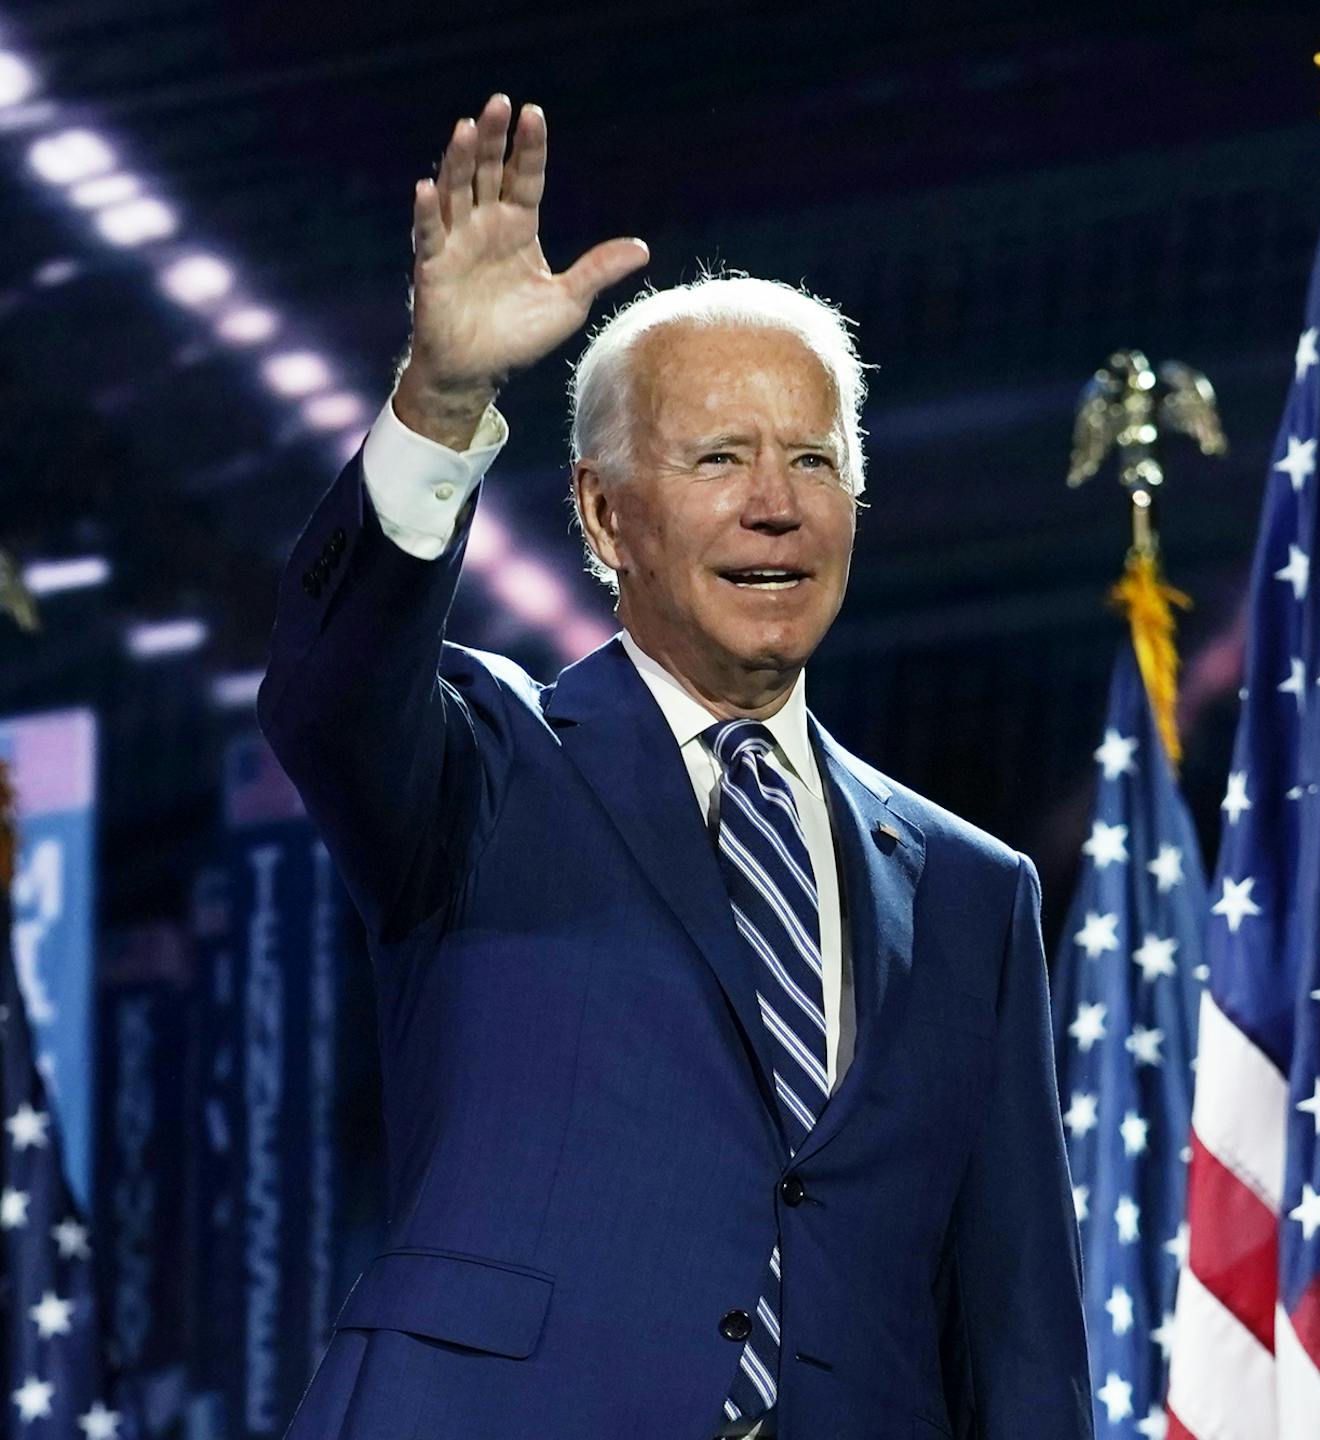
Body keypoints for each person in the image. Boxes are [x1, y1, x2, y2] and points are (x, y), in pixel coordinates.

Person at [260, 93, 1090, 1440]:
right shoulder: (481, 770)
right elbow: (325, 692)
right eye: (720, 458)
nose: (778, 502)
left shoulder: (970, 894)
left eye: (814, 460)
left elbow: (1020, 1336)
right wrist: (443, 393)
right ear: (603, 512)